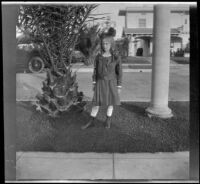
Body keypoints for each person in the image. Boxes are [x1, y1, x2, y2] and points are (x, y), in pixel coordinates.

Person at [81, 29, 122, 129]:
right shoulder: (98, 57)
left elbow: (119, 72)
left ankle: (108, 120)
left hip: (111, 82)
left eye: (107, 44)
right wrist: (94, 82)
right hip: (100, 82)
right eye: (103, 43)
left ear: (111, 44)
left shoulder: (116, 57)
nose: (105, 46)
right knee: (96, 103)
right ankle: (91, 121)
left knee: (110, 103)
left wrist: (119, 85)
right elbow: (95, 70)